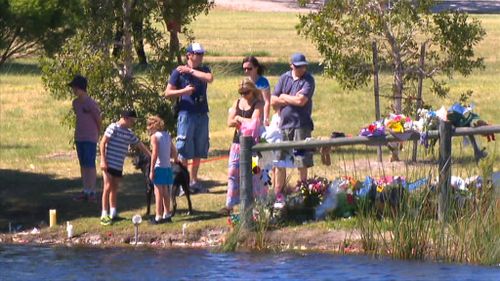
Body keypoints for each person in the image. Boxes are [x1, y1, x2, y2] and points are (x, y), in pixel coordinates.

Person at [164, 42, 214, 193]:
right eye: (197, 54)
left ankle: (194, 181)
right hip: (186, 114)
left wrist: (191, 71)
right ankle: (182, 183)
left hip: (202, 114)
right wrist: (183, 91)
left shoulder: (203, 70)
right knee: (184, 149)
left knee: (199, 148)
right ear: (189, 55)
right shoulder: (178, 72)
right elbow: (167, 93)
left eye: (201, 54)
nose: (200, 57)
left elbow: (209, 78)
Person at [271, 53, 315, 208]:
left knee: (301, 161)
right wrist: (287, 98)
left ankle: (303, 193)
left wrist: (283, 97)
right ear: (292, 66)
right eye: (298, 66)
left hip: (301, 125)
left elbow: (301, 101)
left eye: (304, 66)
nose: (302, 68)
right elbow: (273, 100)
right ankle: (278, 194)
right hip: (284, 126)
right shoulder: (284, 78)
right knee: (280, 160)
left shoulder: (309, 79)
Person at [99, 109, 151, 225]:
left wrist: (151, 155)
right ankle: (104, 214)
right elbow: (103, 143)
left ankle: (113, 212)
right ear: (126, 118)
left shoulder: (129, 133)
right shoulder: (113, 127)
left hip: (118, 165)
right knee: (107, 187)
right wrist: (103, 160)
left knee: (114, 188)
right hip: (108, 163)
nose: (133, 123)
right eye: (132, 121)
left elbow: (139, 144)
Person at [220, 78, 264, 215]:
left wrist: (239, 119)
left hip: (253, 145)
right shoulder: (237, 103)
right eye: (241, 93)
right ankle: (230, 204)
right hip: (237, 144)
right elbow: (229, 121)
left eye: (246, 92)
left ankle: (258, 203)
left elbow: (254, 122)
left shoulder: (258, 104)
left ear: (252, 90)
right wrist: (239, 120)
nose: (244, 95)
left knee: (255, 173)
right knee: (233, 172)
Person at [69, 75, 101, 202]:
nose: (74, 91)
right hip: (79, 137)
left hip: (90, 137)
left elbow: (98, 119)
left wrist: (97, 134)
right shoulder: (75, 103)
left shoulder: (91, 103)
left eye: (75, 88)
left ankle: (92, 191)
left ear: (82, 88)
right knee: (83, 164)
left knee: (90, 164)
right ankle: (85, 190)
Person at [147, 116, 177, 224]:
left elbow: (154, 154)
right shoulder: (167, 135)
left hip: (159, 167)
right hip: (167, 167)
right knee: (165, 191)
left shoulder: (154, 137)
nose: (148, 128)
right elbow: (174, 150)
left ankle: (158, 216)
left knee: (158, 192)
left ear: (153, 125)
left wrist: (151, 170)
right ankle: (167, 214)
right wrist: (175, 159)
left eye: (149, 125)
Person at [242, 56, 271, 126]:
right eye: (244, 69)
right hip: (247, 113)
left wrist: (266, 118)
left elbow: (267, 101)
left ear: (256, 68)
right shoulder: (245, 82)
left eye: (249, 68)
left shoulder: (263, 82)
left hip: (259, 113)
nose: (246, 71)